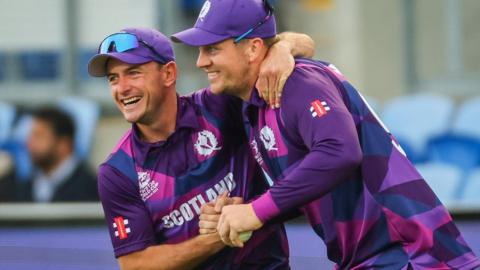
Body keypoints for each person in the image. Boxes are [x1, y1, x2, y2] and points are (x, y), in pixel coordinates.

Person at [171, 0, 480, 268]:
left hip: (413, 256)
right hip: (374, 258)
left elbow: (340, 151)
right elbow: (309, 184)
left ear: (253, 48)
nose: (201, 61)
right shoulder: (255, 102)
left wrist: (255, 211)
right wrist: (242, 211)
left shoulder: (297, 83)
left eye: (213, 48)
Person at [88, 27, 314, 269]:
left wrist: (280, 49)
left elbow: (305, 43)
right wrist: (221, 234)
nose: (122, 88)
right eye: (113, 78)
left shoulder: (219, 105)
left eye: (133, 73)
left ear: (169, 73)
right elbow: (136, 264)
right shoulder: (117, 171)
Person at [15, 107, 98, 202]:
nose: (30, 143)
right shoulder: (18, 185)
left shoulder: (92, 189)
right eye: (31, 136)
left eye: (39, 136)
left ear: (64, 145)